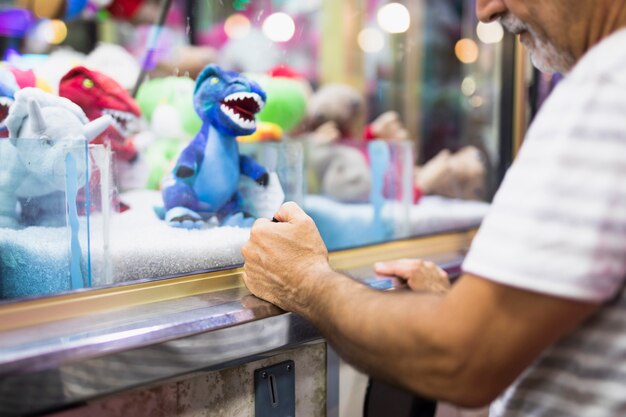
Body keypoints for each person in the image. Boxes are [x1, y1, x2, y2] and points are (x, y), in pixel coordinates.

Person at [241, 0, 626, 414]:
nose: (485, 10)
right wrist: (459, 309)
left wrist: (306, 281)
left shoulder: (607, 85)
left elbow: (464, 357)